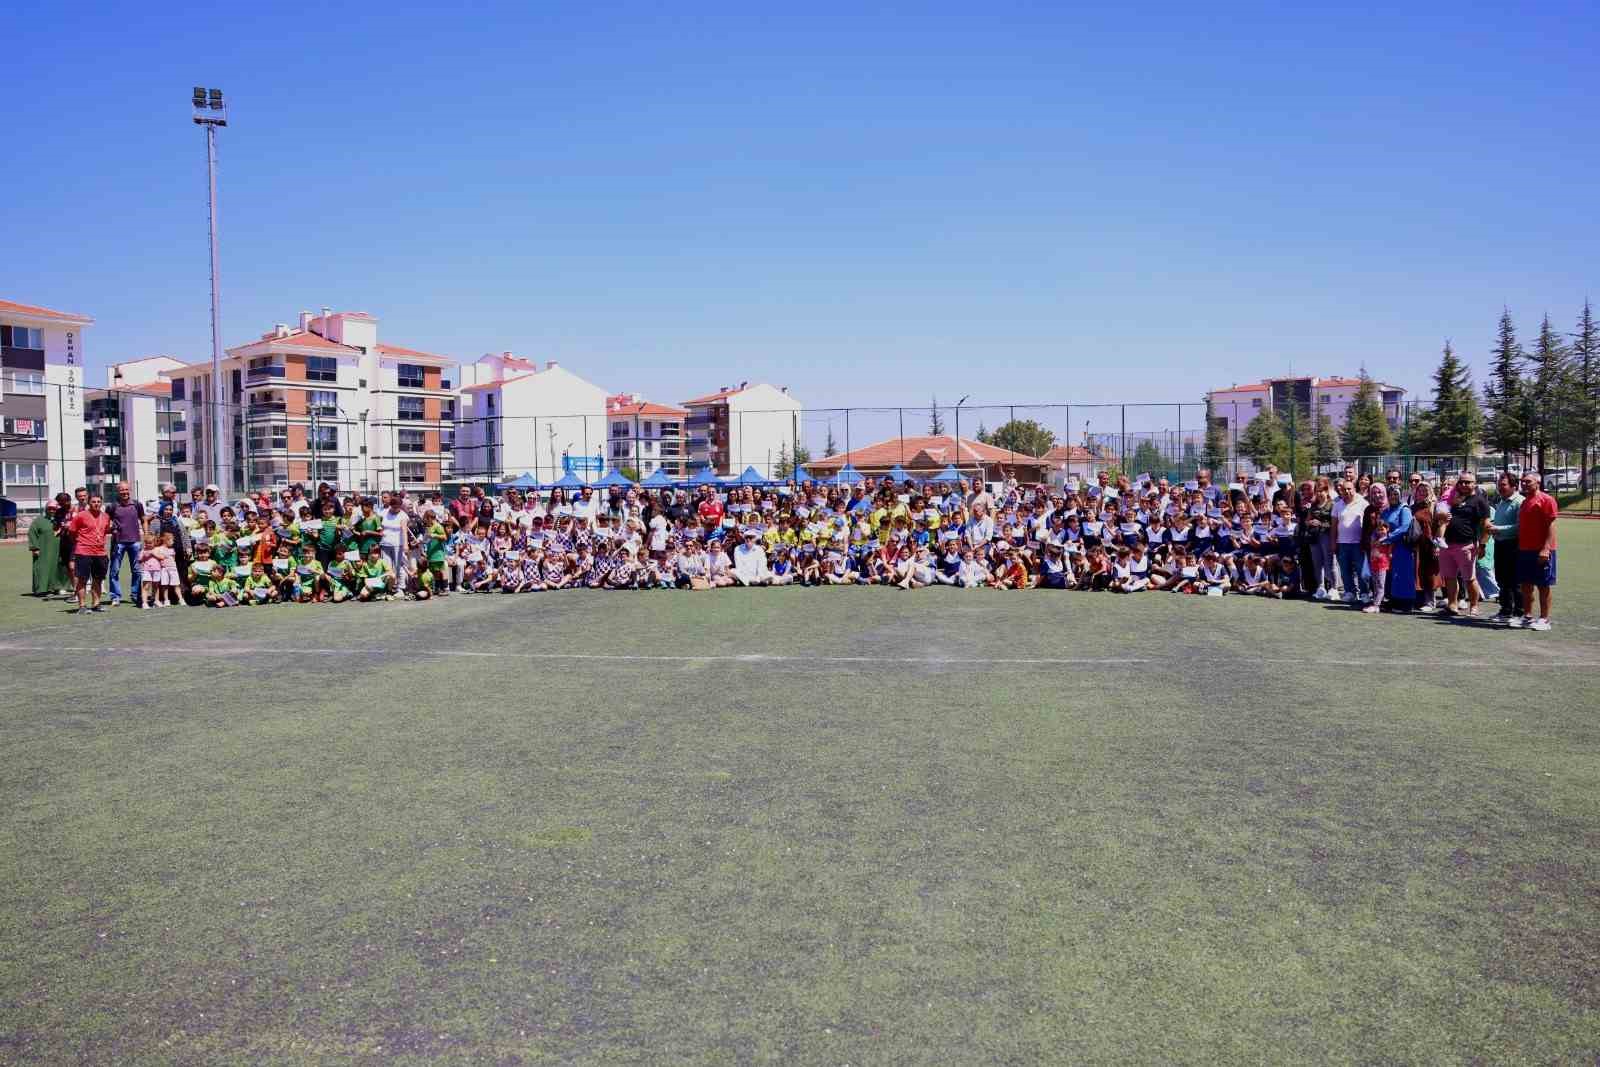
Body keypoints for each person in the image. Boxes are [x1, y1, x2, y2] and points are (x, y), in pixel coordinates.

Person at [1509, 471, 1557, 631]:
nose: (1524, 484)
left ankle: (1544, 619)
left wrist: (1546, 548)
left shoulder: (1546, 500)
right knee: (1526, 585)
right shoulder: (1525, 502)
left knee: (1543, 585)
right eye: (1523, 481)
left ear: (1538, 483)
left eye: (1528, 481)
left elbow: (1551, 525)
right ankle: (1527, 616)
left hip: (1541, 550)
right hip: (1524, 550)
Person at [1439, 473, 1490, 617]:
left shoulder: (1479, 501)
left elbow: (1486, 525)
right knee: (1449, 577)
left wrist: (1483, 545)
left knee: (1469, 578)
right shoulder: (1452, 498)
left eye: (1467, 482)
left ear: (1474, 484)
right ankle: (1452, 605)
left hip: (1466, 545)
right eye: (1461, 482)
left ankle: (1474, 606)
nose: (1463, 485)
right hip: (1447, 545)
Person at [63, 494, 113, 614]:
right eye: (94, 502)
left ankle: (96, 604)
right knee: (82, 579)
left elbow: (105, 531)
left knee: (98, 580)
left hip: (100, 553)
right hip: (83, 552)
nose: (96, 504)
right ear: (89, 503)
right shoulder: (81, 516)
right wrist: (81, 543)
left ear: (102, 503)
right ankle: (82, 606)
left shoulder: (106, 516)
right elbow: (72, 532)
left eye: (98, 502)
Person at [1488, 473, 1524, 620]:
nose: (1500, 487)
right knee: (1502, 578)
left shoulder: (1520, 502)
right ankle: (1505, 610)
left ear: (1514, 486)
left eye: (1503, 485)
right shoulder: (1501, 501)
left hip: (1513, 545)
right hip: (1500, 544)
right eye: (1499, 484)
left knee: (1515, 580)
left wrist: (1498, 529)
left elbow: (1520, 527)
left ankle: (1519, 612)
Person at [104, 481, 146, 607]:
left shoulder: (137, 505)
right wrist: (112, 529)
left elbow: (143, 520)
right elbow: (106, 523)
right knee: (114, 571)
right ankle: (115, 596)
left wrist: (147, 533)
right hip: (118, 543)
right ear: (118, 491)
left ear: (130, 490)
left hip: (135, 542)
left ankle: (135, 594)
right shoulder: (112, 506)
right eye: (121, 490)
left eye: (126, 490)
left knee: (137, 571)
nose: (124, 492)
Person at [1331, 479, 1368, 604]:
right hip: (1342, 543)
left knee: (1360, 569)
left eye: (1349, 489)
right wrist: (1333, 542)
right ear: (1340, 491)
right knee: (1345, 570)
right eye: (1344, 489)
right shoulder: (1337, 505)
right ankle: (1349, 592)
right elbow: (1334, 526)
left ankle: (1364, 593)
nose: (1347, 491)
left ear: (1354, 489)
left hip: (1358, 543)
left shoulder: (1363, 503)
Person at [27, 500, 68, 597]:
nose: (52, 510)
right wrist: (34, 548)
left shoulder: (59, 520)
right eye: (50, 508)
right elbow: (32, 533)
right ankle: (42, 589)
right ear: (46, 509)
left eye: (54, 508)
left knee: (58, 568)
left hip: (58, 549)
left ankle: (57, 588)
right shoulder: (39, 521)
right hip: (43, 550)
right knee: (42, 569)